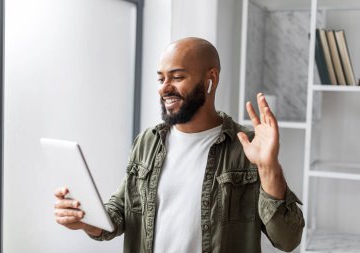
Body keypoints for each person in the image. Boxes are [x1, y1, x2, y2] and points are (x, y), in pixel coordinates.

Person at [54, 37, 304, 253]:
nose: (165, 87)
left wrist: (269, 167)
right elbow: (120, 213)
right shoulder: (147, 142)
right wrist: (86, 218)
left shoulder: (246, 146)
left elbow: (288, 240)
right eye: (161, 78)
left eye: (177, 77)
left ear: (211, 79)